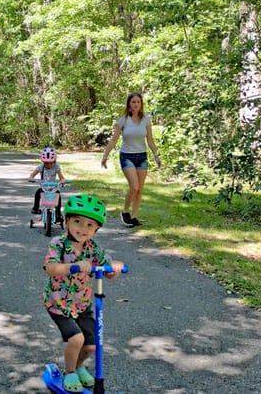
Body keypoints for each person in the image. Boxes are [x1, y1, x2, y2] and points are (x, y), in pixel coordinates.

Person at [43, 194, 126, 393]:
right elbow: (50, 267)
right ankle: (69, 372)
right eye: (78, 222)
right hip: (59, 304)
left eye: (90, 225)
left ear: (96, 230)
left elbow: (107, 270)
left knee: (91, 346)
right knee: (76, 339)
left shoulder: (93, 248)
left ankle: (79, 366)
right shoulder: (59, 243)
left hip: (83, 304)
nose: (83, 228)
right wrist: (73, 266)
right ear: (67, 221)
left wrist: (114, 267)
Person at [100, 92, 161, 227]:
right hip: (127, 156)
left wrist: (156, 156)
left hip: (142, 157)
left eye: (138, 102)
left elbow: (150, 140)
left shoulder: (146, 120)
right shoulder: (122, 120)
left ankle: (134, 217)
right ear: (129, 104)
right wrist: (105, 156)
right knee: (134, 186)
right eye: (133, 102)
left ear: (141, 104)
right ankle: (125, 212)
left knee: (140, 189)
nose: (136, 104)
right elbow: (114, 140)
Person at [29, 147, 67, 223]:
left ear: (54, 161)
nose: (49, 165)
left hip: (53, 188)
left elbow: (61, 178)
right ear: (43, 161)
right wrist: (31, 178)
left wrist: (62, 181)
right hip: (44, 187)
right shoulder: (40, 167)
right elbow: (32, 175)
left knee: (58, 196)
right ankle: (36, 208)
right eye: (46, 163)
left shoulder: (56, 167)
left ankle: (58, 212)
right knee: (37, 193)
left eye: (51, 163)